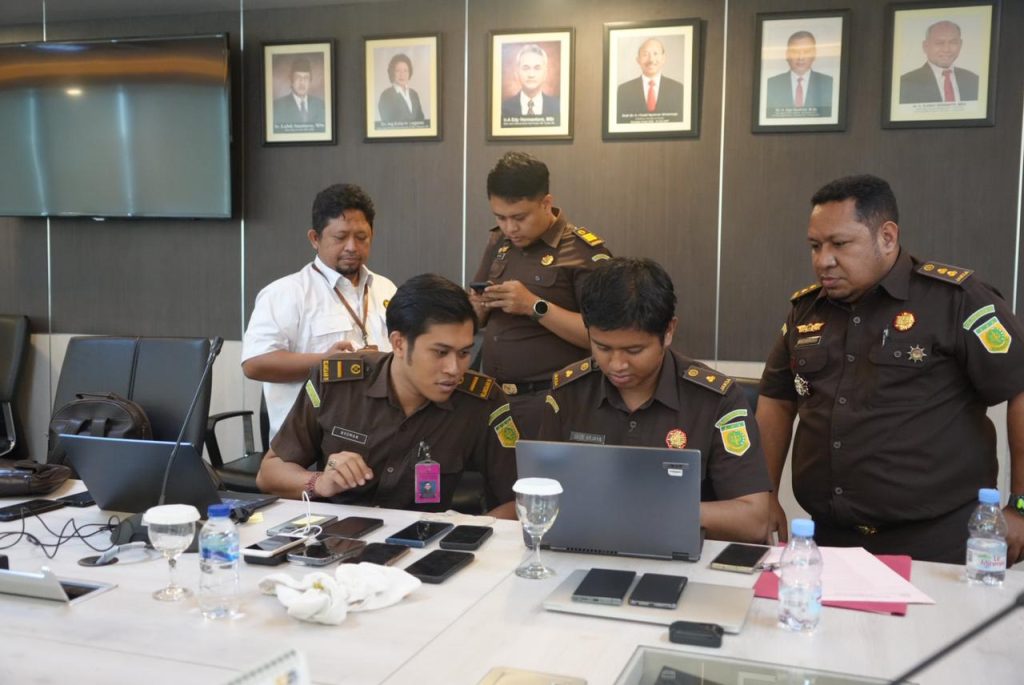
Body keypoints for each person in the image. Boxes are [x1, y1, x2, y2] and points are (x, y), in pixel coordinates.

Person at [757, 174, 1024, 564]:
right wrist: (763, 494)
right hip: (831, 540)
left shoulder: (956, 301)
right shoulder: (806, 311)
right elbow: (777, 399)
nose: (823, 260)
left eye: (839, 244)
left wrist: (1021, 504)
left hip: (938, 543)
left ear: (886, 237)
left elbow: (1020, 387)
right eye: (815, 246)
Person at [538, 257, 771, 543]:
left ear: (669, 331)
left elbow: (754, 520)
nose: (617, 364)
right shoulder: (568, 393)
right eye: (602, 347)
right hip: (585, 547)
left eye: (634, 350)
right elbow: (540, 495)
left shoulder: (716, 400)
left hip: (681, 554)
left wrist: (651, 511)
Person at [256, 274, 518, 516]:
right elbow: (269, 473)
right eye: (440, 352)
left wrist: (468, 537)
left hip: (424, 543)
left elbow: (520, 498)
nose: (454, 369)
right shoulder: (336, 384)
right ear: (399, 343)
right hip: (339, 539)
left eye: (464, 353)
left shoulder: (481, 401)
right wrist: (320, 482)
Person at [470, 152, 611, 439]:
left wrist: (533, 305)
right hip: (494, 399)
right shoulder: (499, 242)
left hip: (553, 401)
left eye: (519, 217)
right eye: (500, 217)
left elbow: (605, 336)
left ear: (546, 203)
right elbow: (474, 312)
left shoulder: (583, 252)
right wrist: (478, 308)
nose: (510, 228)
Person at [242, 184, 396, 441]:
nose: (352, 247)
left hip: (381, 435)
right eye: (340, 237)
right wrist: (325, 363)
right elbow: (254, 364)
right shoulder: (285, 293)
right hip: (308, 442)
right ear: (315, 238)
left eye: (361, 237)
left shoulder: (387, 289)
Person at [899, 20, 979, 104]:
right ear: (925, 46)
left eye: (953, 42)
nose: (946, 49)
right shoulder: (905, 84)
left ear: (960, 44)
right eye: (939, 43)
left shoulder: (974, 81)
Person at [765, 31, 833, 117]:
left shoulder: (829, 83)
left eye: (806, 51)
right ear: (787, 54)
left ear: (814, 54)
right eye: (795, 51)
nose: (801, 57)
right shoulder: (771, 84)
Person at [616, 38, 684, 124]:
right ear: (638, 60)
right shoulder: (624, 90)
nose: (651, 60)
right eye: (645, 54)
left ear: (663, 59)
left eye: (655, 54)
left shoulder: (678, 89)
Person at [500, 44, 560, 125]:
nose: (531, 75)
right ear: (517, 73)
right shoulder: (503, 109)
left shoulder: (558, 107)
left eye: (537, 68)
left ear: (545, 73)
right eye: (526, 68)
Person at [273, 56, 326, 127]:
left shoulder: (321, 105)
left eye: (306, 78)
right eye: (298, 77)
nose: (302, 82)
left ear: (310, 81)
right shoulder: (278, 107)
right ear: (291, 80)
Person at [377, 53, 425, 124]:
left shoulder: (414, 94)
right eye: (398, 71)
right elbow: (387, 122)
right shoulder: (386, 95)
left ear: (409, 73)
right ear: (392, 72)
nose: (402, 74)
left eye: (405, 71)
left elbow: (421, 119)